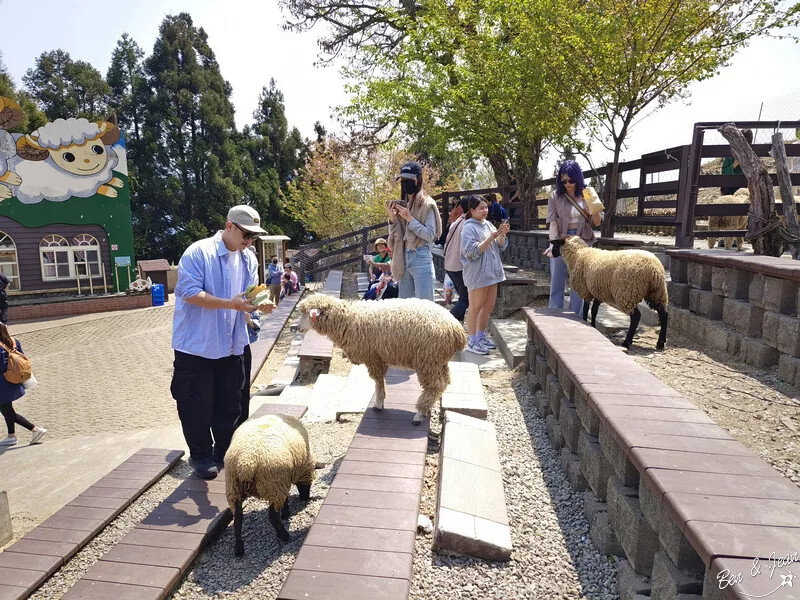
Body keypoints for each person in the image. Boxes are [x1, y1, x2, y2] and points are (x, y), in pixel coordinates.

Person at [171, 205, 276, 480]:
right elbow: (189, 293)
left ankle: (223, 452)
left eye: (254, 236)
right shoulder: (198, 252)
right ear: (229, 226)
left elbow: (250, 296)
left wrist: (261, 304)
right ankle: (200, 455)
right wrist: (232, 304)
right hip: (197, 346)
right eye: (246, 234)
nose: (249, 240)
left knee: (231, 403)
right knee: (196, 404)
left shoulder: (248, 258)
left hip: (232, 344)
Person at [544, 160, 603, 315]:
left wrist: (593, 207)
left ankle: (576, 316)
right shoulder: (555, 196)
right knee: (557, 279)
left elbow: (597, 222)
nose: (567, 184)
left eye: (571, 180)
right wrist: (552, 244)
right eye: (563, 181)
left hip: (583, 241)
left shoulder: (588, 193)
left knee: (579, 282)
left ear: (578, 178)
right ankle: (554, 315)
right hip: (562, 240)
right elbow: (553, 223)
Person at [460, 196, 509, 355]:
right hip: (478, 274)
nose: (485, 210)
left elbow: (500, 247)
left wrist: (501, 235)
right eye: (481, 208)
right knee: (475, 307)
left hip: (492, 273)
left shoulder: (488, 224)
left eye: (486, 207)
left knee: (488, 306)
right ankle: (472, 341)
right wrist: (490, 237)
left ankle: (480, 336)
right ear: (472, 210)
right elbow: (471, 252)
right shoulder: (468, 228)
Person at [387, 161, 442, 301]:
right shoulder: (404, 204)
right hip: (403, 256)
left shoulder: (427, 204)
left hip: (421, 255)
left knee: (425, 305)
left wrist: (410, 218)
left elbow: (430, 234)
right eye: (402, 180)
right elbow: (396, 235)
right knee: (405, 307)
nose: (405, 184)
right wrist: (392, 218)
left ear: (417, 179)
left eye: (408, 179)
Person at [0, 323, 46, 447]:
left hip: (2, 384)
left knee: (8, 412)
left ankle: (35, 429)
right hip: (14, 380)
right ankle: (11, 436)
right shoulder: (13, 341)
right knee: (7, 408)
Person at [443, 196, 470, 323]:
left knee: (462, 298)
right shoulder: (467, 224)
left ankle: (457, 324)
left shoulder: (457, 221)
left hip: (450, 263)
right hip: (459, 265)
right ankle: (446, 323)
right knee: (466, 299)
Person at [237, 309, 261, 428]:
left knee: (243, 387)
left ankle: (242, 425)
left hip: (242, 346)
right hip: (218, 348)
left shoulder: (245, 301)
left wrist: (249, 320)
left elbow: (256, 325)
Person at [721, 128, 753, 196]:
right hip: (731, 189)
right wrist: (734, 165)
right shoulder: (730, 155)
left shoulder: (752, 155)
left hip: (747, 187)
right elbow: (724, 172)